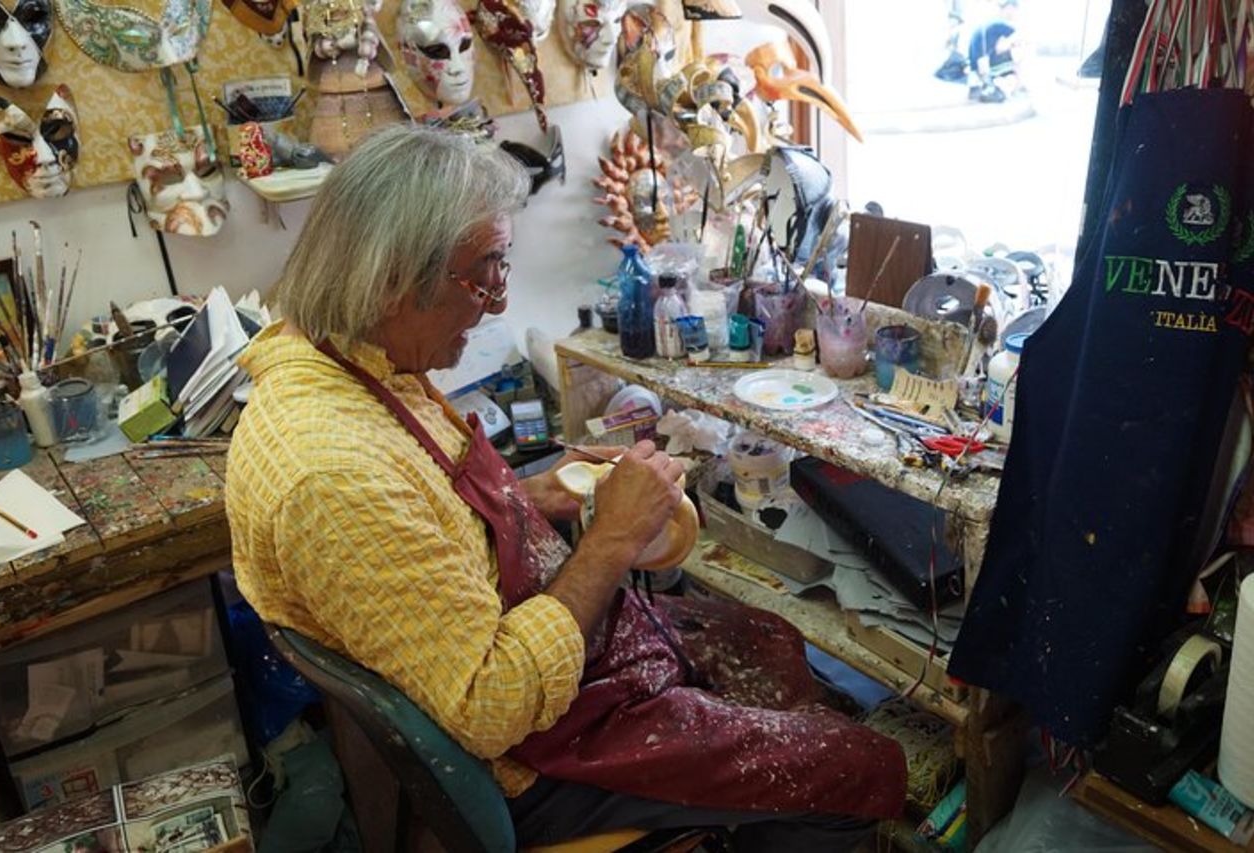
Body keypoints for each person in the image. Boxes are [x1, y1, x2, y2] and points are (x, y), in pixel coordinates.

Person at [226, 124, 906, 851]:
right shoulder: (334, 474)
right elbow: (493, 706)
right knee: (855, 766)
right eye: (484, 273)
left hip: (537, 664)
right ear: (392, 279)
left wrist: (534, 495)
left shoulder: (344, 360)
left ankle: (751, 804)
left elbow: (425, 516)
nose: (496, 302)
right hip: (530, 762)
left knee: (768, 634)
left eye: (502, 265)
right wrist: (610, 540)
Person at [966, 0, 1021, 103]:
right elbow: (1003, 47)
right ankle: (1016, 88)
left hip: (977, 67)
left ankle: (1005, 87)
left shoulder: (987, 23)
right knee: (1019, 53)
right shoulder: (1001, 24)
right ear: (1009, 9)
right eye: (1015, 10)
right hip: (986, 67)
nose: (1015, 14)